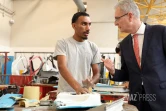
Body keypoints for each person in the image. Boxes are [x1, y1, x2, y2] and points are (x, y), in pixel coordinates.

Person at [102, 0, 166, 111]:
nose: (115, 23)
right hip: (137, 101)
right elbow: (127, 74)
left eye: (117, 18)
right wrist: (113, 70)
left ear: (130, 16)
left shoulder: (160, 33)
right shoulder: (124, 44)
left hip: (161, 98)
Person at [54, 12, 101, 94]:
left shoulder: (93, 47)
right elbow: (62, 66)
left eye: (89, 24)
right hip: (65, 95)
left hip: (84, 94)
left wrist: (92, 81)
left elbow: (97, 73)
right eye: (84, 24)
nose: (88, 28)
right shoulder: (63, 43)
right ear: (74, 25)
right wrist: (77, 88)